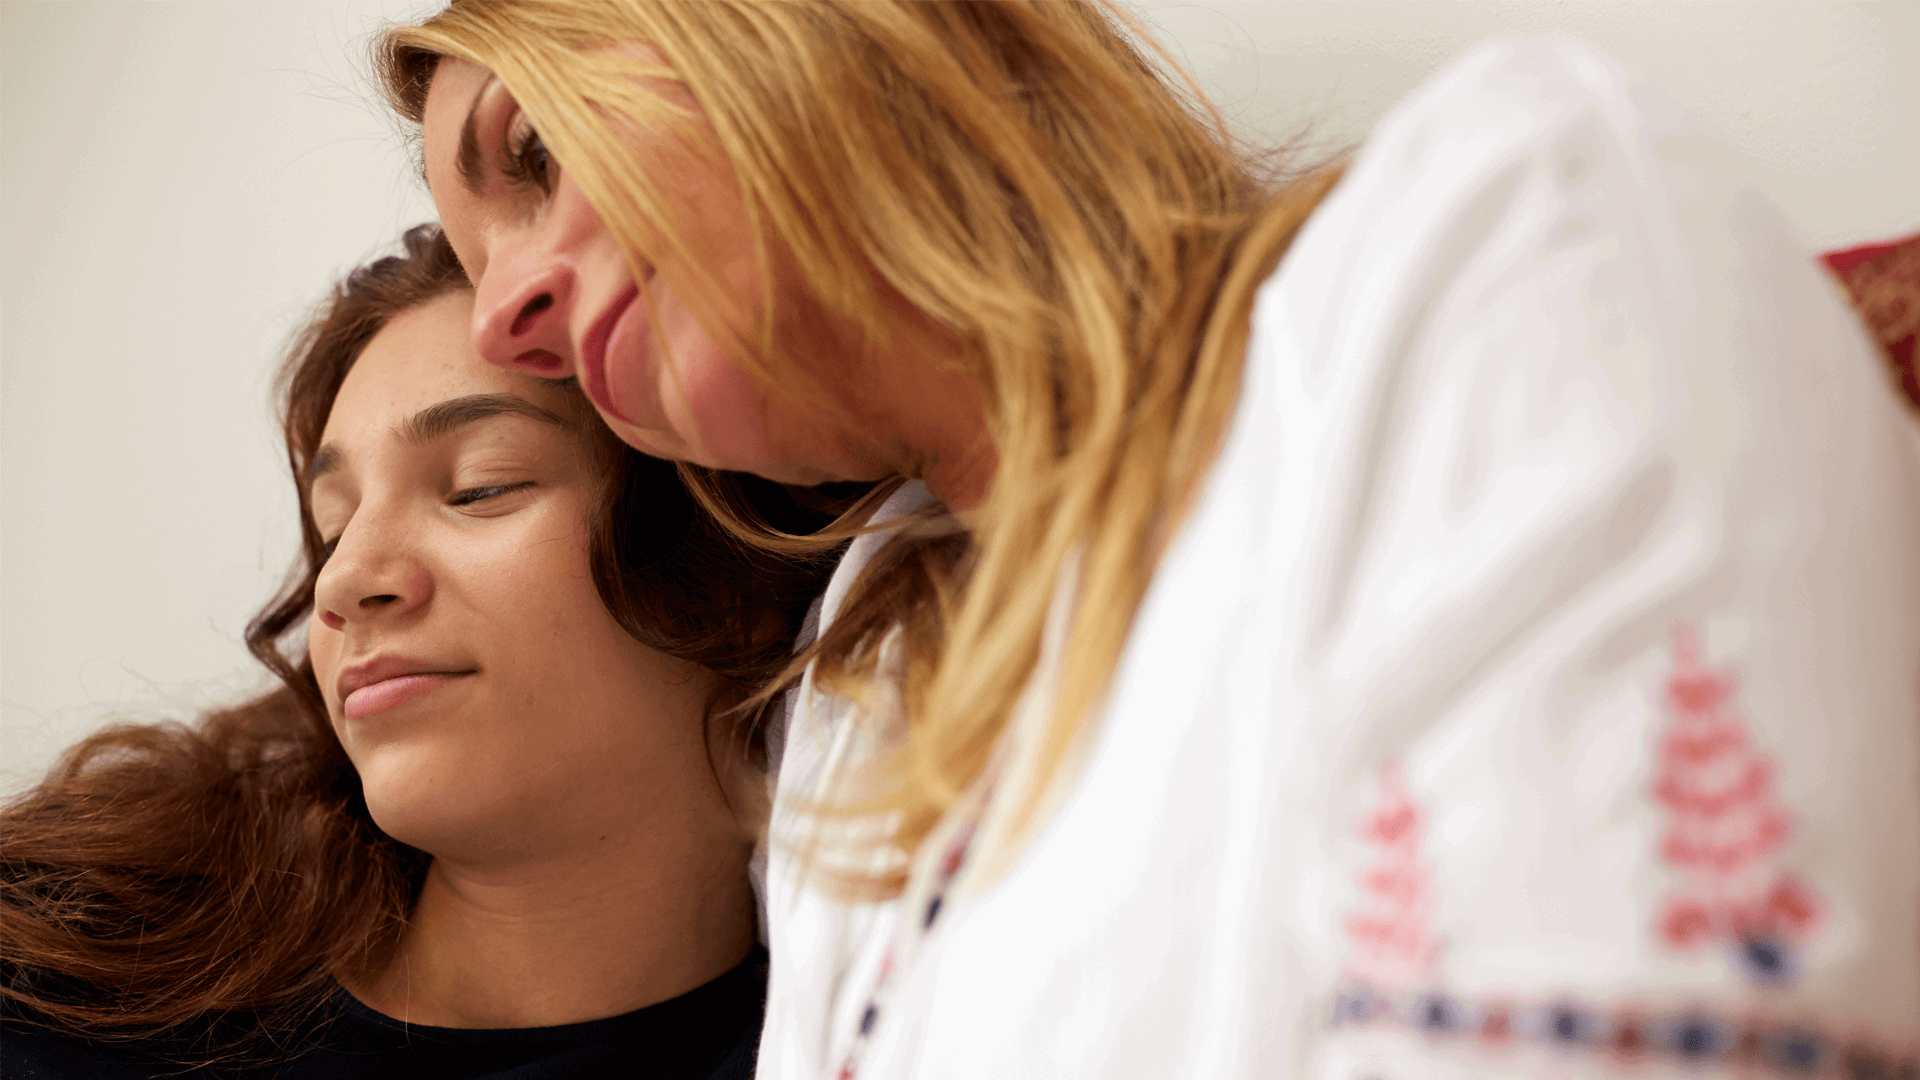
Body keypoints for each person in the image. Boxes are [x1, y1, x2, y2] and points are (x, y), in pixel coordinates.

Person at [381, 4, 1920, 1078]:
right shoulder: (867, 676)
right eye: (477, 254)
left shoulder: (1499, 242)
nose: (509, 315)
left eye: (535, 160)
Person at [1, 224, 846, 1079]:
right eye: (333, 531)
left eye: (480, 487)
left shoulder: (880, 1040)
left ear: (735, 577)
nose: (342, 585)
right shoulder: (61, 981)